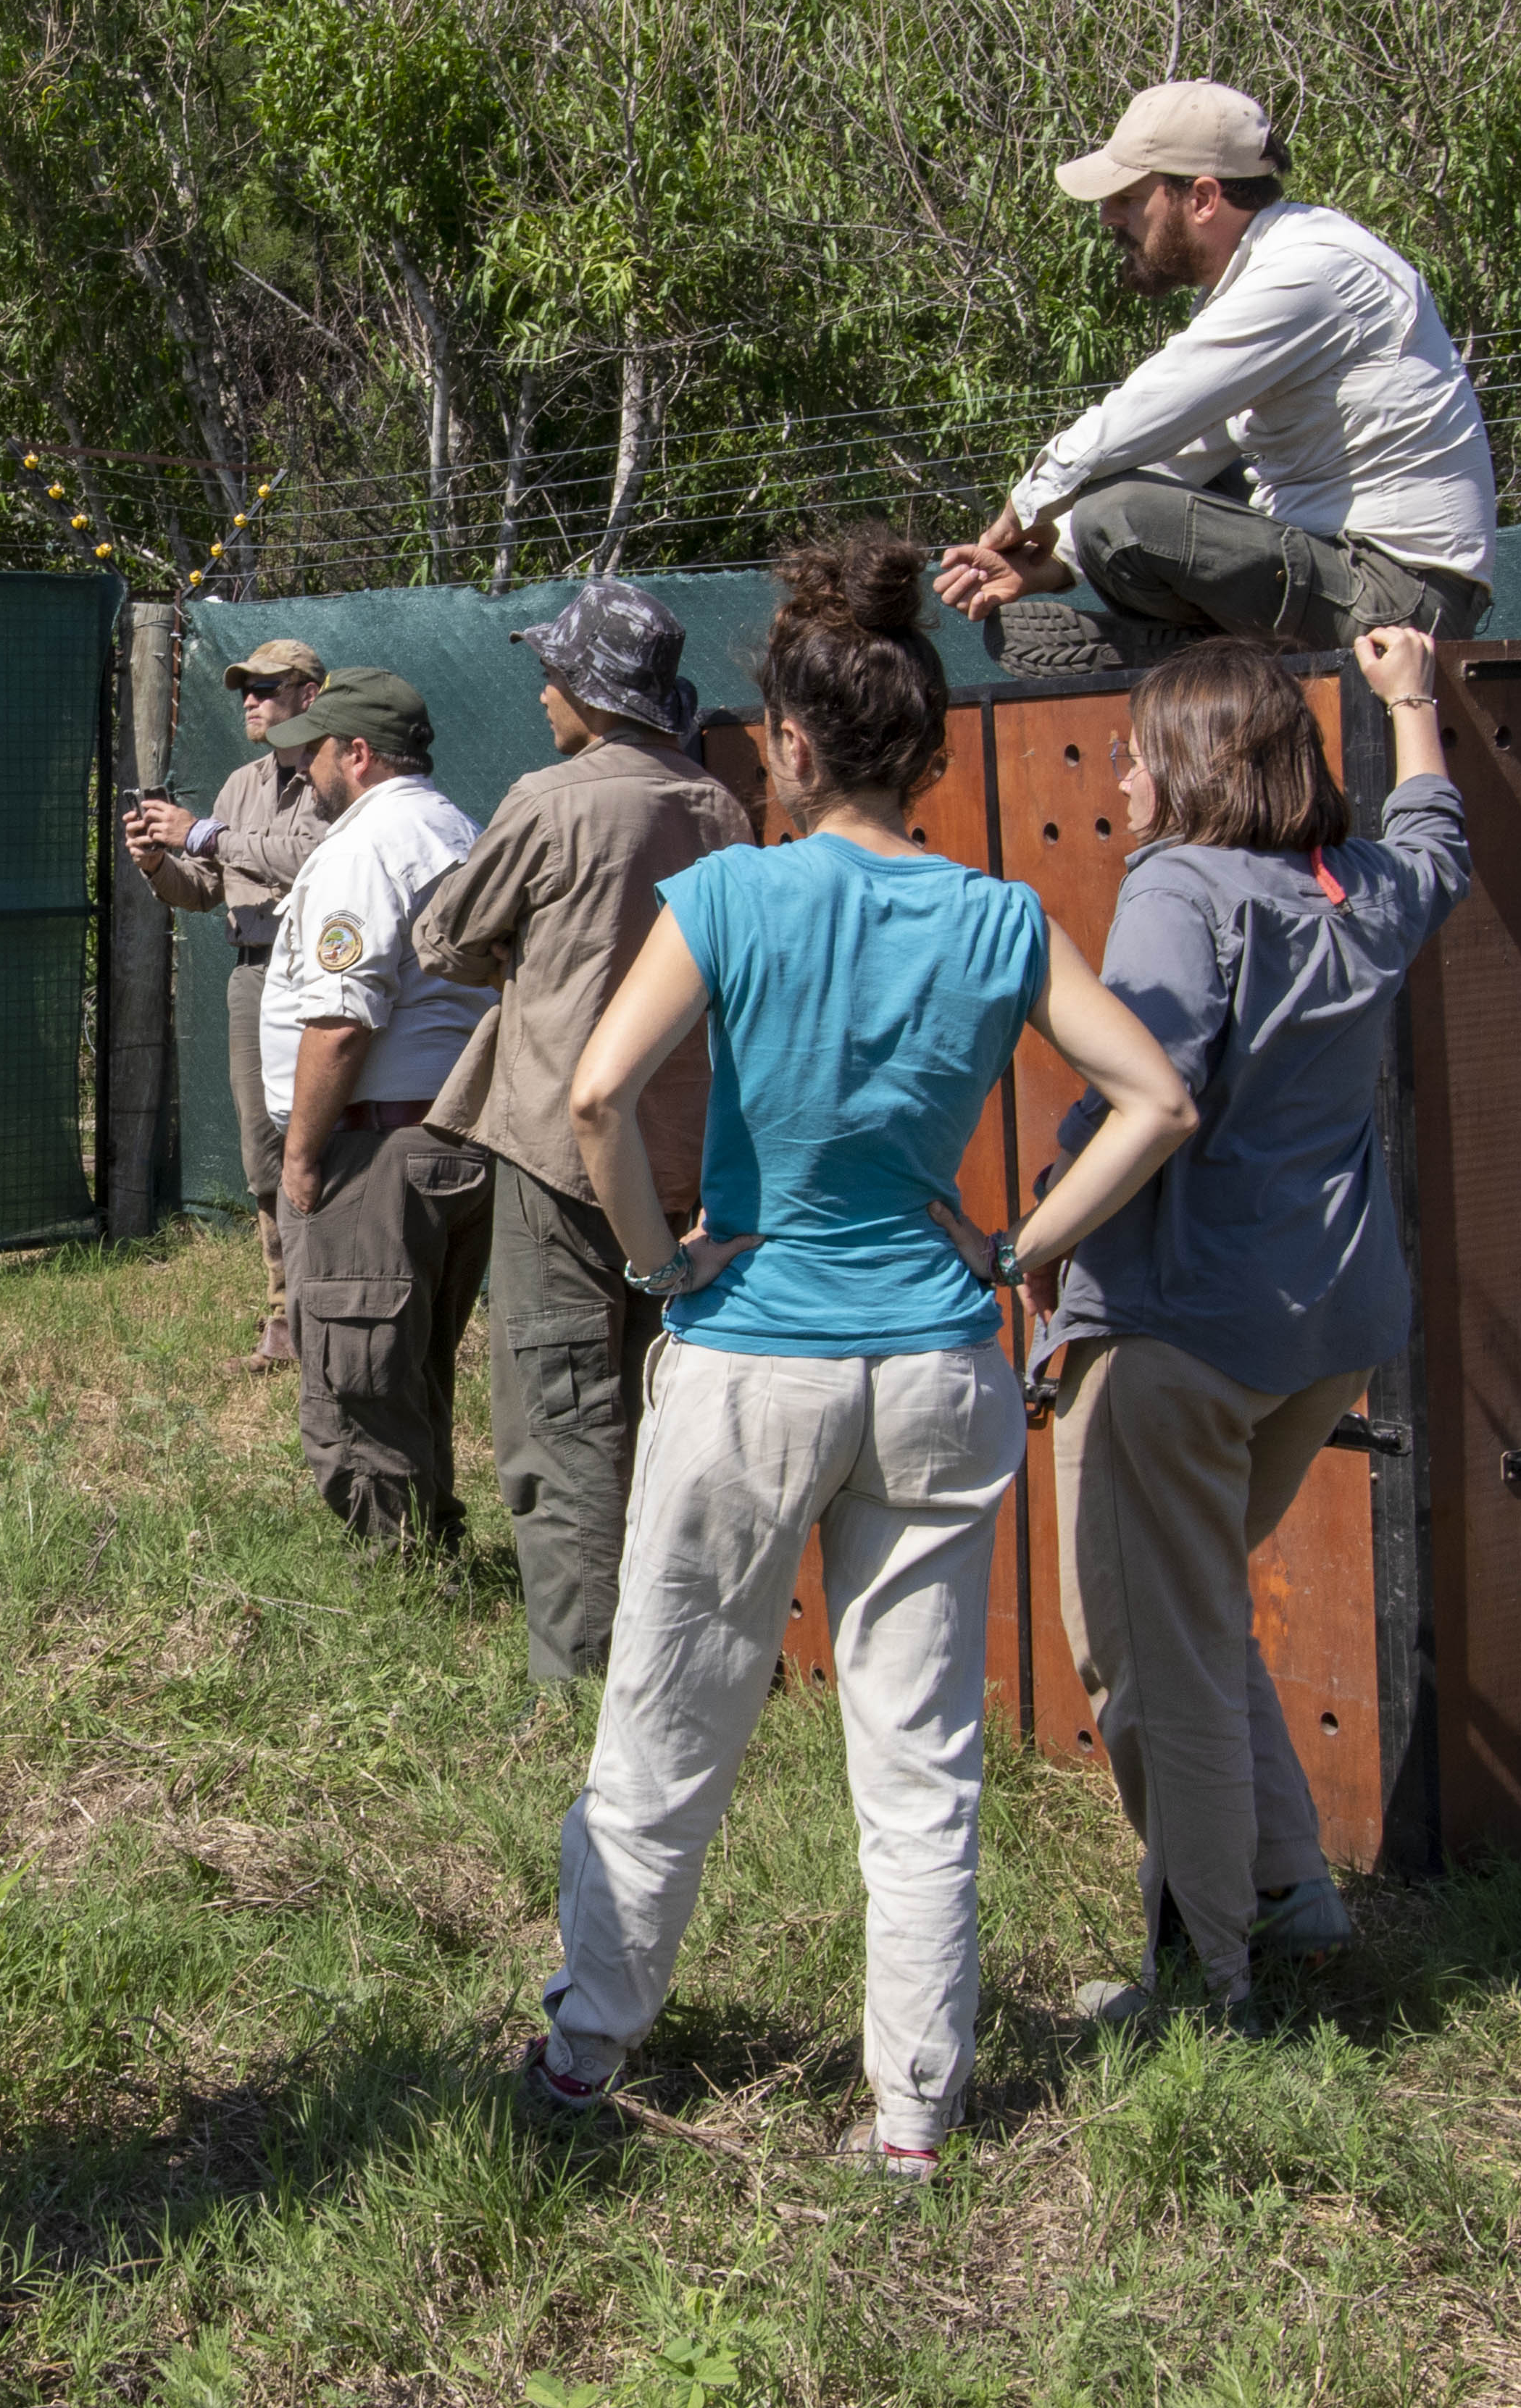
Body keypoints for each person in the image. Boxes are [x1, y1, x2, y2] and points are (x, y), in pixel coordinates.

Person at [522, 531, 1196, 2181]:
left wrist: (648, 1259)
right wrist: (1018, 1247)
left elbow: (596, 1096)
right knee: (918, 1759)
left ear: (793, 746)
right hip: (937, 1364)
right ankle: (912, 2115)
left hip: (748, 1359)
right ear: (932, 751)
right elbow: (1157, 1099)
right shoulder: (995, 915)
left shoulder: (736, 892)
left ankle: (581, 2051)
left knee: (666, 1715)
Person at [1029, 628, 1469, 2030]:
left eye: (1140, 743)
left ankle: (1206, 1982)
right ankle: (1291, 1893)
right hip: (1328, 1325)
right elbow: (1438, 841)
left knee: (1142, 1650)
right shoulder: (1354, 886)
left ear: (1192, 760)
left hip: (1177, 1323)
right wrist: (1412, 704)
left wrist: (1041, 1226)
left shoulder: (1177, 887)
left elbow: (1144, 1090)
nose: (1119, 769)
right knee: (1196, 1607)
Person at [416, 578, 755, 1687]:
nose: (543, 696)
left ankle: (579, 1687)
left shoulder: (552, 798)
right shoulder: (720, 804)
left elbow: (450, 936)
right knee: (655, 1406)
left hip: (562, 1150)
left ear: (590, 693)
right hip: (681, 1157)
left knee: (561, 1425)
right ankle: (673, 1658)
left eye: (552, 676)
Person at [930, 80, 1496, 677]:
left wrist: (1025, 505)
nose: (1108, 217)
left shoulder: (1312, 272)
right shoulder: (1262, 273)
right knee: (1127, 496)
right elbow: (1192, 448)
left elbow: (1149, 409)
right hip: (1345, 577)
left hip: (1401, 604)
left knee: (1116, 512)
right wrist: (1055, 558)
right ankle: (1216, 654)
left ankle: (1193, 657)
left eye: (1127, 196)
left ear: (1202, 197)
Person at [260, 665, 500, 1552]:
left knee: (358, 1373)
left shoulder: (369, 846)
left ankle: (397, 1571)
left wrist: (301, 1157)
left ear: (357, 754)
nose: (305, 769)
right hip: (455, 1135)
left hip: (378, 1144)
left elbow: (341, 1019)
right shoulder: (457, 830)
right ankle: (431, 1538)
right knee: (415, 1362)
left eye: (315, 750)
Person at [128, 639, 334, 1371]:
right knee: (264, 1151)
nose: (250, 699)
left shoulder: (338, 772)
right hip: (254, 972)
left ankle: (338, 1308)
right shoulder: (241, 784)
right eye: (245, 688)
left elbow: (315, 854)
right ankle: (285, 1320)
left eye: (267, 687)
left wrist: (205, 835)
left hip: (326, 973)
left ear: (309, 693)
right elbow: (205, 887)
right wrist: (159, 862)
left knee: (334, 1141)